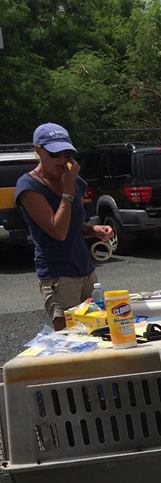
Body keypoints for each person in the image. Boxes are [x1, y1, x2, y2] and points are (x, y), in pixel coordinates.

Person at [16, 123, 113, 330]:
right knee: (71, 336)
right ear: (38, 150)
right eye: (55, 154)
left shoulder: (74, 180)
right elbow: (58, 231)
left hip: (85, 269)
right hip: (59, 274)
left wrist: (92, 230)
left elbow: (73, 223)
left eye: (67, 154)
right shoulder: (29, 186)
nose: (62, 161)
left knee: (99, 330)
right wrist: (67, 192)